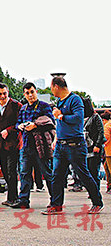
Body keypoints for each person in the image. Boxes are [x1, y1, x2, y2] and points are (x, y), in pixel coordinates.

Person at [43, 76, 104, 215]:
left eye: (52, 87)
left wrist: (61, 116)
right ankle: (56, 204)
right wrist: (55, 139)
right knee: (57, 175)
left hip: (75, 145)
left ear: (57, 86)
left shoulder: (75, 99)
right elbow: (59, 124)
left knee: (83, 174)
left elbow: (77, 118)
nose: (52, 90)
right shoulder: (59, 101)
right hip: (60, 145)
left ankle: (97, 202)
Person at [11, 82, 55, 209]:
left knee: (47, 173)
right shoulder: (23, 108)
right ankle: (23, 199)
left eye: (32, 92)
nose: (30, 95)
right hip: (26, 145)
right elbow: (17, 122)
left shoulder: (44, 106)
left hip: (40, 145)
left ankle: (55, 200)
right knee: (24, 173)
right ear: (24, 95)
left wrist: (35, 125)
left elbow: (50, 122)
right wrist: (19, 126)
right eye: (27, 93)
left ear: (36, 92)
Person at [0, 83, 21, 206]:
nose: (2, 96)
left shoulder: (16, 105)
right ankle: (10, 197)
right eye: (0, 94)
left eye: (4, 93)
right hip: (0, 144)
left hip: (13, 143)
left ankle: (14, 197)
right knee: (5, 172)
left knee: (12, 170)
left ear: (8, 93)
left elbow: (19, 123)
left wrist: (9, 130)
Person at [84, 102, 105, 192]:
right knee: (89, 170)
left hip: (94, 147)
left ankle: (95, 190)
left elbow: (101, 132)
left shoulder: (96, 117)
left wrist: (97, 145)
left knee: (94, 171)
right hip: (88, 147)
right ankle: (93, 191)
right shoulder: (87, 118)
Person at [102, 111, 111, 194]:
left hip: (109, 151)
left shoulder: (107, 126)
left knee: (109, 169)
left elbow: (106, 137)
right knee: (106, 167)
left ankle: (110, 186)